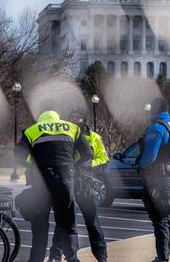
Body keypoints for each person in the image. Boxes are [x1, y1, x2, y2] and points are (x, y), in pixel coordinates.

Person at [15, 105, 92, 262]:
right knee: (68, 223)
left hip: (41, 183)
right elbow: (88, 153)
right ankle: (72, 258)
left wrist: (32, 166)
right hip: (65, 180)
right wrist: (72, 166)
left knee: (40, 226)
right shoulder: (71, 128)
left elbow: (18, 155)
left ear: (40, 113)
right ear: (57, 114)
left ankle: (36, 259)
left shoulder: (32, 130)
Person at [48, 108, 109, 262]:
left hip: (85, 183)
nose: (75, 120)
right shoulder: (64, 135)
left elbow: (103, 158)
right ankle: (55, 256)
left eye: (78, 117)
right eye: (72, 117)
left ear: (84, 119)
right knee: (63, 221)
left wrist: (87, 165)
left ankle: (102, 257)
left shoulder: (94, 137)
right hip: (67, 182)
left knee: (93, 222)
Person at [137, 96, 170, 262]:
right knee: (167, 217)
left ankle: (162, 258)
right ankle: (164, 256)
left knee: (160, 220)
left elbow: (150, 157)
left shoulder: (157, 128)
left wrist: (140, 166)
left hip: (158, 179)